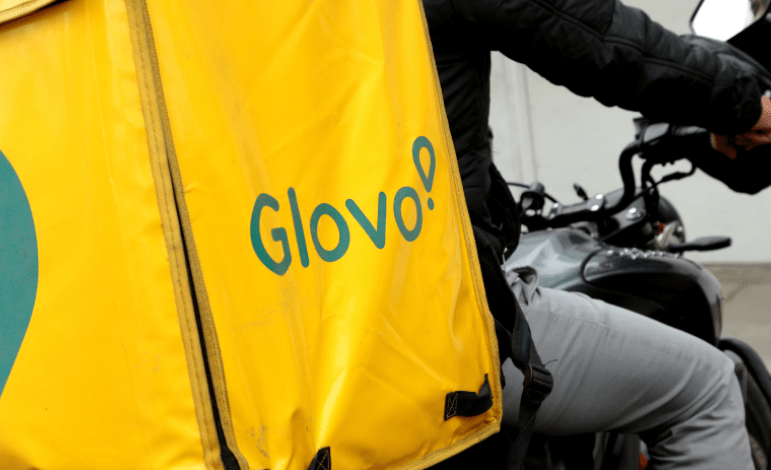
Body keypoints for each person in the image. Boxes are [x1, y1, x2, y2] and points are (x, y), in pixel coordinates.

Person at [422, 0, 771, 468]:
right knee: (707, 388)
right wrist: (745, 106)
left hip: (327, 337)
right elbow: (597, 35)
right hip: (437, 314)